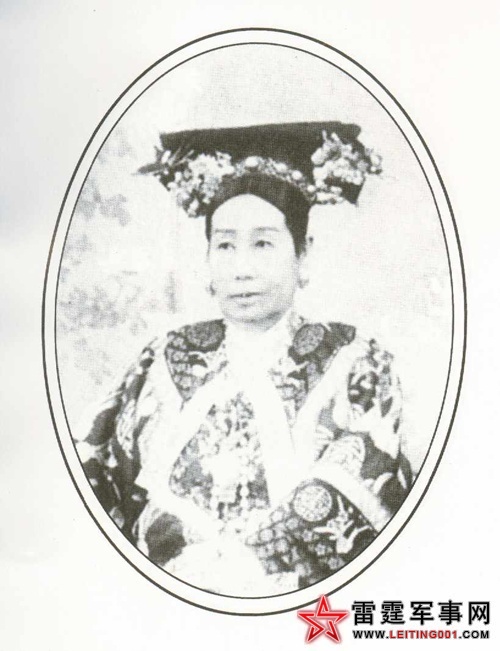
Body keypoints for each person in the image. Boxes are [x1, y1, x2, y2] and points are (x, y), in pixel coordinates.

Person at [74, 122, 413, 596]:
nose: (241, 268)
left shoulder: (355, 358)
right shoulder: (163, 357)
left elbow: (362, 478)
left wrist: (244, 567)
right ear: (208, 259)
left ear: (303, 256)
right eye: (225, 245)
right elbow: (94, 473)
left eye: (263, 244)